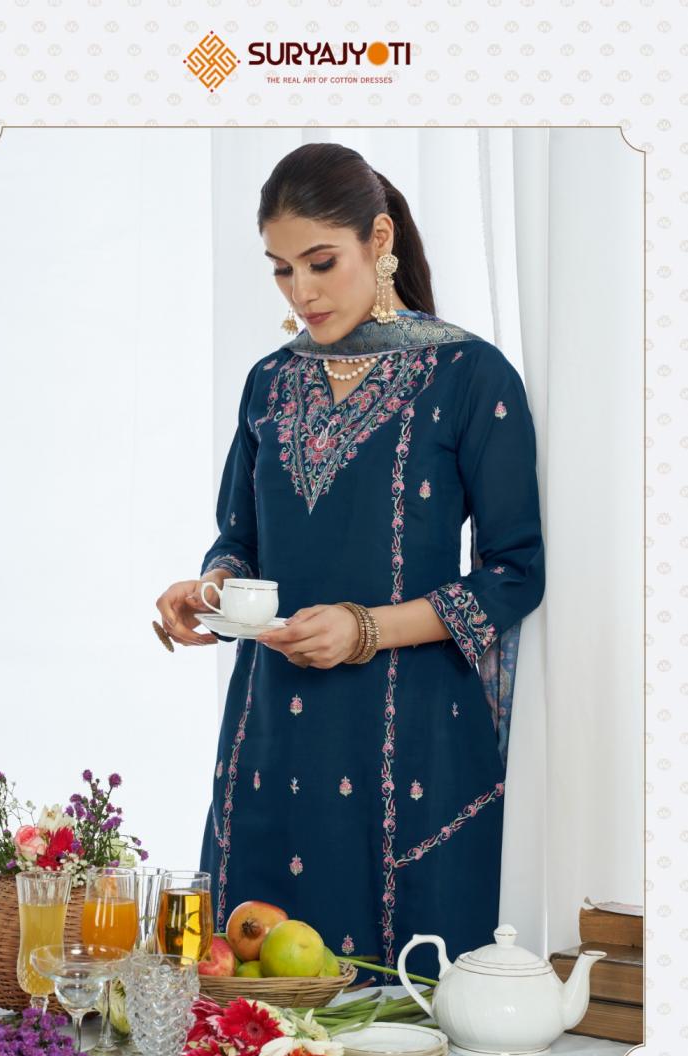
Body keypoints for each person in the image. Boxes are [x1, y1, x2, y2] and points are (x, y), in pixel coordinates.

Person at [155, 142, 545, 982]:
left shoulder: (469, 375)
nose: (301, 291)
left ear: (379, 239)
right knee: (247, 1001)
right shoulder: (269, 383)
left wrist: (366, 629)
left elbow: (515, 572)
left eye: (320, 262)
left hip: (412, 737)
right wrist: (211, 590)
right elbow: (240, 538)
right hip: (271, 733)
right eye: (281, 269)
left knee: (399, 1009)